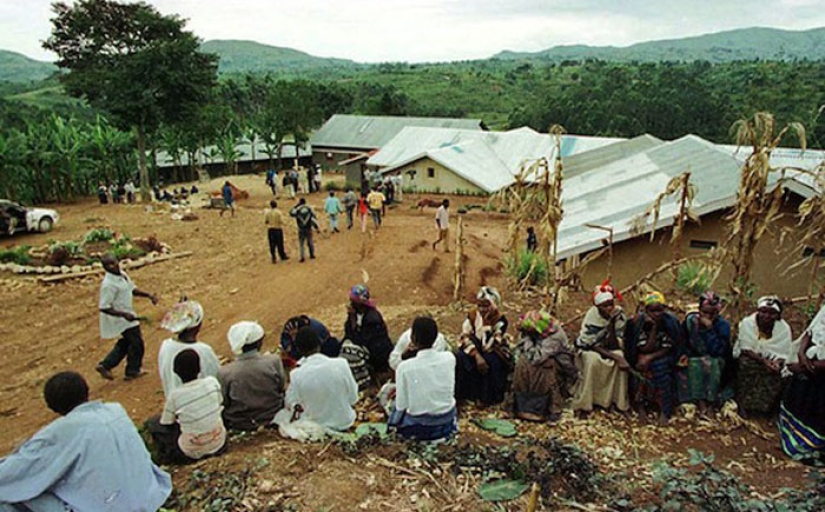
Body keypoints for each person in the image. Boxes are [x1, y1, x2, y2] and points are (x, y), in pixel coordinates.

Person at [0, 372, 171, 511]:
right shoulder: (115, 410)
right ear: (86, 392)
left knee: (10, 497)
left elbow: (15, 473)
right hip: (150, 500)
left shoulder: (63, 430)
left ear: (52, 406)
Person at [387, 317, 457, 441]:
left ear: (413, 339)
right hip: (447, 424)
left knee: (389, 398)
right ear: (436, 337)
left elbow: (401, 406)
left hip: (419, 429)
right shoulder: (449, 358)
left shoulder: (404, 367)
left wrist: (392, 425)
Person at [152, 349, 227, 463]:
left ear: (175, 372)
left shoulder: (175, 395)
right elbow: (220, 401)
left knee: (154, 424)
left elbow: (166, 422)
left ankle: (166, 457)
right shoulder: (212, 382)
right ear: (200, 368)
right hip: (219, 443)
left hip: (190, 453)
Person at [95, 253, 158, 381]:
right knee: (137, 343)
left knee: (126, 342)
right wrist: (124, 314)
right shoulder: (108, 285)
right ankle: (132, 370)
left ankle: (106, 365)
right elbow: (104, 306)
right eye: (109, 265)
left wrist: (149, 295)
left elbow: (131, 289)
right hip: (121, 318)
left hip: (128, 314)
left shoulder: (122, 275)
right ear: (105, 268)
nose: (113, 266)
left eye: (114, 262)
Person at [571, 282, 630, 415]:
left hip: (609, 346)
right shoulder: (592, 316)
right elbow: (589, 343)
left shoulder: (618, 315)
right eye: (605, 306)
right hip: (589, 349)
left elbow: (615, 344)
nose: (609, 308)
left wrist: (612, 325)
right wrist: (616, 357)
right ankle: (586, 403)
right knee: (592, 361)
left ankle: (617, 402)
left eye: (611, 304)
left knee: (619, 356)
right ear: (598, 307)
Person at [285, 327, 359, 431]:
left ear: (299, 349)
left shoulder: (296, 375)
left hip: (316, 428)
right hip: (345, 422)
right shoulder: (341, 364)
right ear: (319, 344)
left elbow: (292, 404)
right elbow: (353, 398)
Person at [218, 321, 287, 431]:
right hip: (273, 416)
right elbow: (281, 387)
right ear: (259, 343)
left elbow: (224, 401)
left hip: (240, 424)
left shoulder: (225, 372)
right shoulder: (273, 361)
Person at [625, 291, 682, 424]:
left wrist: (650, 357)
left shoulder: (670, 323)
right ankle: (640, 407)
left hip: (663, 354)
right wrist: (652, 331)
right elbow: (640, 347)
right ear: (646, 311)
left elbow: (670, 346)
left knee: (661, 369)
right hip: (640, 354)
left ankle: (665, 410)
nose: (656, 314)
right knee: (638, 371)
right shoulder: (637, 323)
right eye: (652, 311)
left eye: (659, 310)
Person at [511, 310, 578, 422]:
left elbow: (538, 357)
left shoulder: (555, 336)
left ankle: (545, 408)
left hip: (558, 364)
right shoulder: (531, 332)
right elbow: (520, 349)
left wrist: (527, 340)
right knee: (522, 364)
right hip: (536, 358)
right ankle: (522, 406)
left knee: (543, 368)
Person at [779, 304, 825, 464]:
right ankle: (797, 441)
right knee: (797, 390)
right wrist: (802, 355)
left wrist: (811, 366)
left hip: (820, 369)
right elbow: (810, 332)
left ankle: (816, 445)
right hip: (810, 363)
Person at [734, 296, 793, 415]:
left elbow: (784, 352)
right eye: (763, 311)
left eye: (772, 313)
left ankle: (764, 409)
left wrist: (777, 363)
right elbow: (745, 348)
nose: (767, 316)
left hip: (772, 359)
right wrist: (764, 362)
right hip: (751, 356)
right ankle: (743, 404)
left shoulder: (783, 329)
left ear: (778, 315)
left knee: (780, 373)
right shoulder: (748, 323)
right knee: (746, 365)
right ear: (758, 311)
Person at [677, 291, 733, 415]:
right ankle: (700, 402)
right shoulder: (691, 321)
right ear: (699, 310)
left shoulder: (722, 325)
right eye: (705, 312)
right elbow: (683, 341)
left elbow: (718, 350)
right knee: (693, 364)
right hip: (694, 357)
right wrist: (684, 353)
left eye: (712, 313)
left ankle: (711, 402)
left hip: (717, 358)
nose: (708, 316)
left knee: (712, 365)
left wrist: (710, 329)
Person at [455, 286, 512, 405]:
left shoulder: (500, 320)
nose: (482, 309)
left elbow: (491, 344)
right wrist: (476, 355)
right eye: (479, 305)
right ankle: (464, 394)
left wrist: (486, 324)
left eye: (486, 306)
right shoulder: (472, 316)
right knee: (460, 357)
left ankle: (486, 398)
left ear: (494, 304)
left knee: (490, 360)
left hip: (492, 349)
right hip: (475, 349)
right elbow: (464, 336)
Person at [157, 299, 220, 397]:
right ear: (198, 324)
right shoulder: (203, 351)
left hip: (175, 402)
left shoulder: (165, 346)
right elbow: (216, 377)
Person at [343, 285, 394, 382]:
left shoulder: (372, 319)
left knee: (351, 352)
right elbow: (348, 334)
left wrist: (353, 320)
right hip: (369, 350)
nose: (350, 304)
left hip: (378, 356)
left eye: (353, 301)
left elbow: (360, 341)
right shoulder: (357, 314)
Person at [289, 198, 319, 262]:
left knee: (301, 243)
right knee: (310, 241)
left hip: (301, 228)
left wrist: (296, 206)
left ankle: (302, 257)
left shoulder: (298, 209)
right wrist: (316, 227)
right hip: (308, 227)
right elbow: (314, 217)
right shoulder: (309, 208)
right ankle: (312, 254)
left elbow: (291, 213)